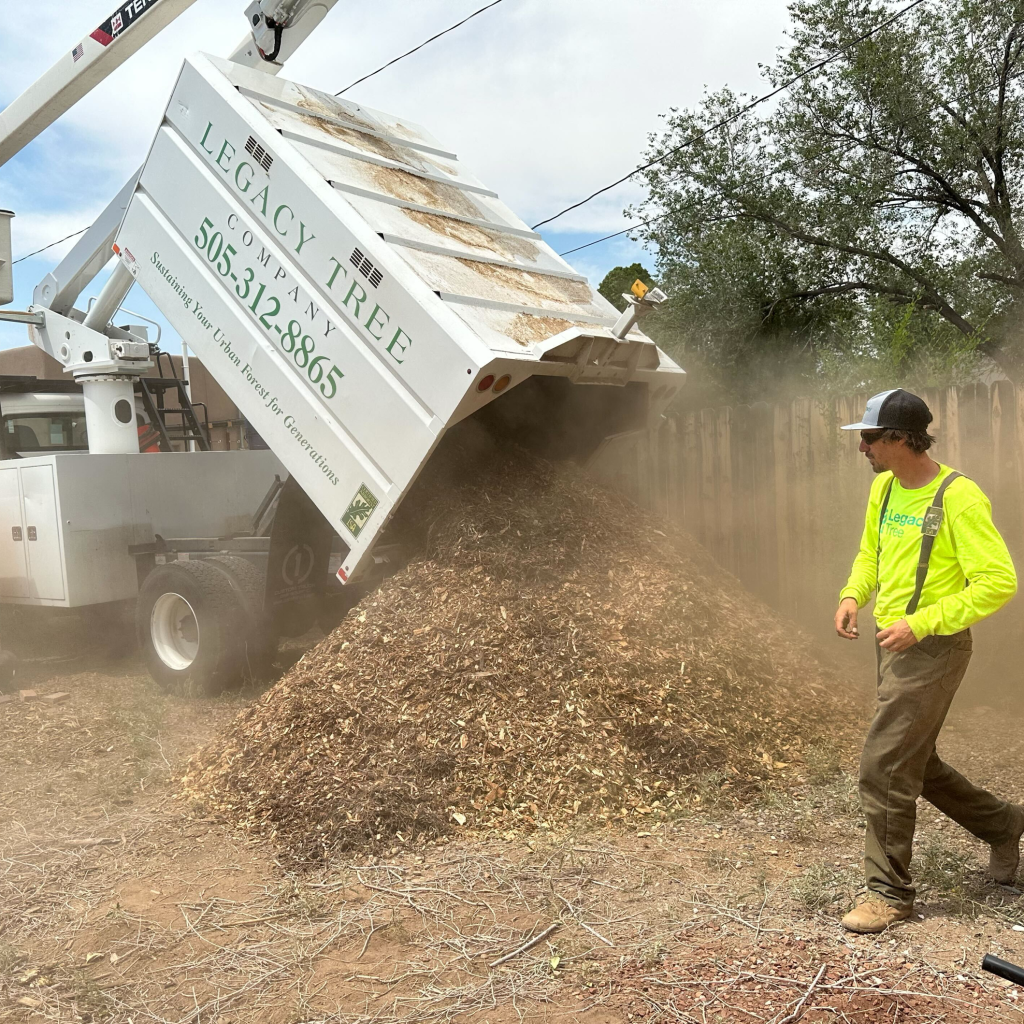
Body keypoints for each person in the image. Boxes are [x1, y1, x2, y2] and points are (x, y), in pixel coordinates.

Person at [834, 388, 1021, 934]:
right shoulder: (885, 490)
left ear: (899, 438)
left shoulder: (959, 497)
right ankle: (1004, 824)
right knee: (915, 761)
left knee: (885, 764)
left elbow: (998, 582)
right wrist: (853, 594)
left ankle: (890, 894)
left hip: (934, 648)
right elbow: (870, 552)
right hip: (891, 645)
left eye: (868, 438)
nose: (861, 448)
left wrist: (921, 623)